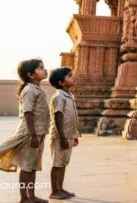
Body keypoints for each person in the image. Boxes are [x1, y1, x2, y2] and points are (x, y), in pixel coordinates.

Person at [0, 59, 50, 203]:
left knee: (32, 167)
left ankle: (32, 196)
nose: (45, 70)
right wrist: (33, 135)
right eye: (41, 68)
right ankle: (24, 198)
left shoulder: (36, 89)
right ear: (31, 74)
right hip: (30, 134)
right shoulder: (29, 90)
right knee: (26, 167)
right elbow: (28, 112)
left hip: (39, 133)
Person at [48, 67, 80, 200]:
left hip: (69, 135)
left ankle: (60, 188)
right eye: (69, 76)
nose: (73, 77)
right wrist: (62, 137)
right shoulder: (58, 97)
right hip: (60, 136)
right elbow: (58, 117)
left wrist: (75, 135)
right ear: (61, 82)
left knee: (63, 163)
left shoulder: (70, 96)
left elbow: (72, 117)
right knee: (57, 164)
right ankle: (54, 191)